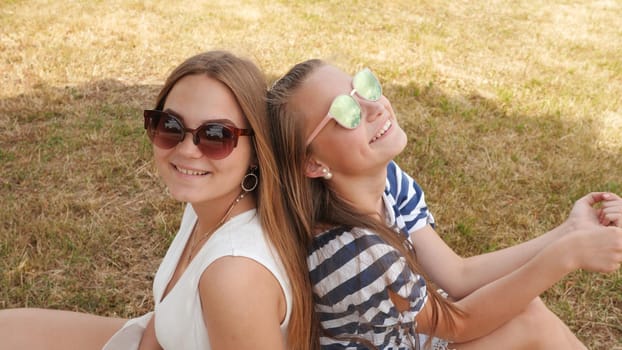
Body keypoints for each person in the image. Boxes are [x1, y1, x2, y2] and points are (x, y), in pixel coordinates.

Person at [266, 59, 622, 349]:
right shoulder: (351, 253)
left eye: (365, 87)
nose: (374, 107)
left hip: (412, 339)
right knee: (530, 322)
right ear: (312, 163)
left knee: (527, 310)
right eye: (346, 112)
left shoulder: (385, 184)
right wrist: (567, 254)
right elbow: (458, 323)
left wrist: (570, 231)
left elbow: (457, 275)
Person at [0, 51, 315, 350]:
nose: (188, 150)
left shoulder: (234, 275)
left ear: (256, 152)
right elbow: (167, 312)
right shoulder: (210, 206)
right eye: (170, 126)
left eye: (216, 135)